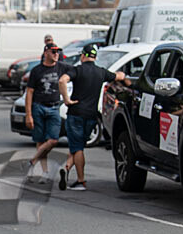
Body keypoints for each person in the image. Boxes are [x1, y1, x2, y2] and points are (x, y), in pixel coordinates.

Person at [58, 43, 129, 191]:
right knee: (79, 147)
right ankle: (66, 168)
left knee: (77, 148)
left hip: (75, 113)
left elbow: (62, 80)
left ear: (83, 56)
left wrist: (66, 99)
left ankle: (81, 180)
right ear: (95, 57)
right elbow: (119, 76)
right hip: (91, 116)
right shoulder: (101, 72)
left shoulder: (77, 70)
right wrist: (128, 81)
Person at [25, 42, 68, 182]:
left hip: (54, 107)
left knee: (53, 140)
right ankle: (44, 172)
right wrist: (29, 114)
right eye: (53, 52)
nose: (56, 54)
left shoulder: (61, 67)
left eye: (57, 52)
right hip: (39, 106)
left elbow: (77, 72)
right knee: (40, 140)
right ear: (46, 53)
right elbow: (29, 92)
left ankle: (32, 161)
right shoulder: (37, 71)